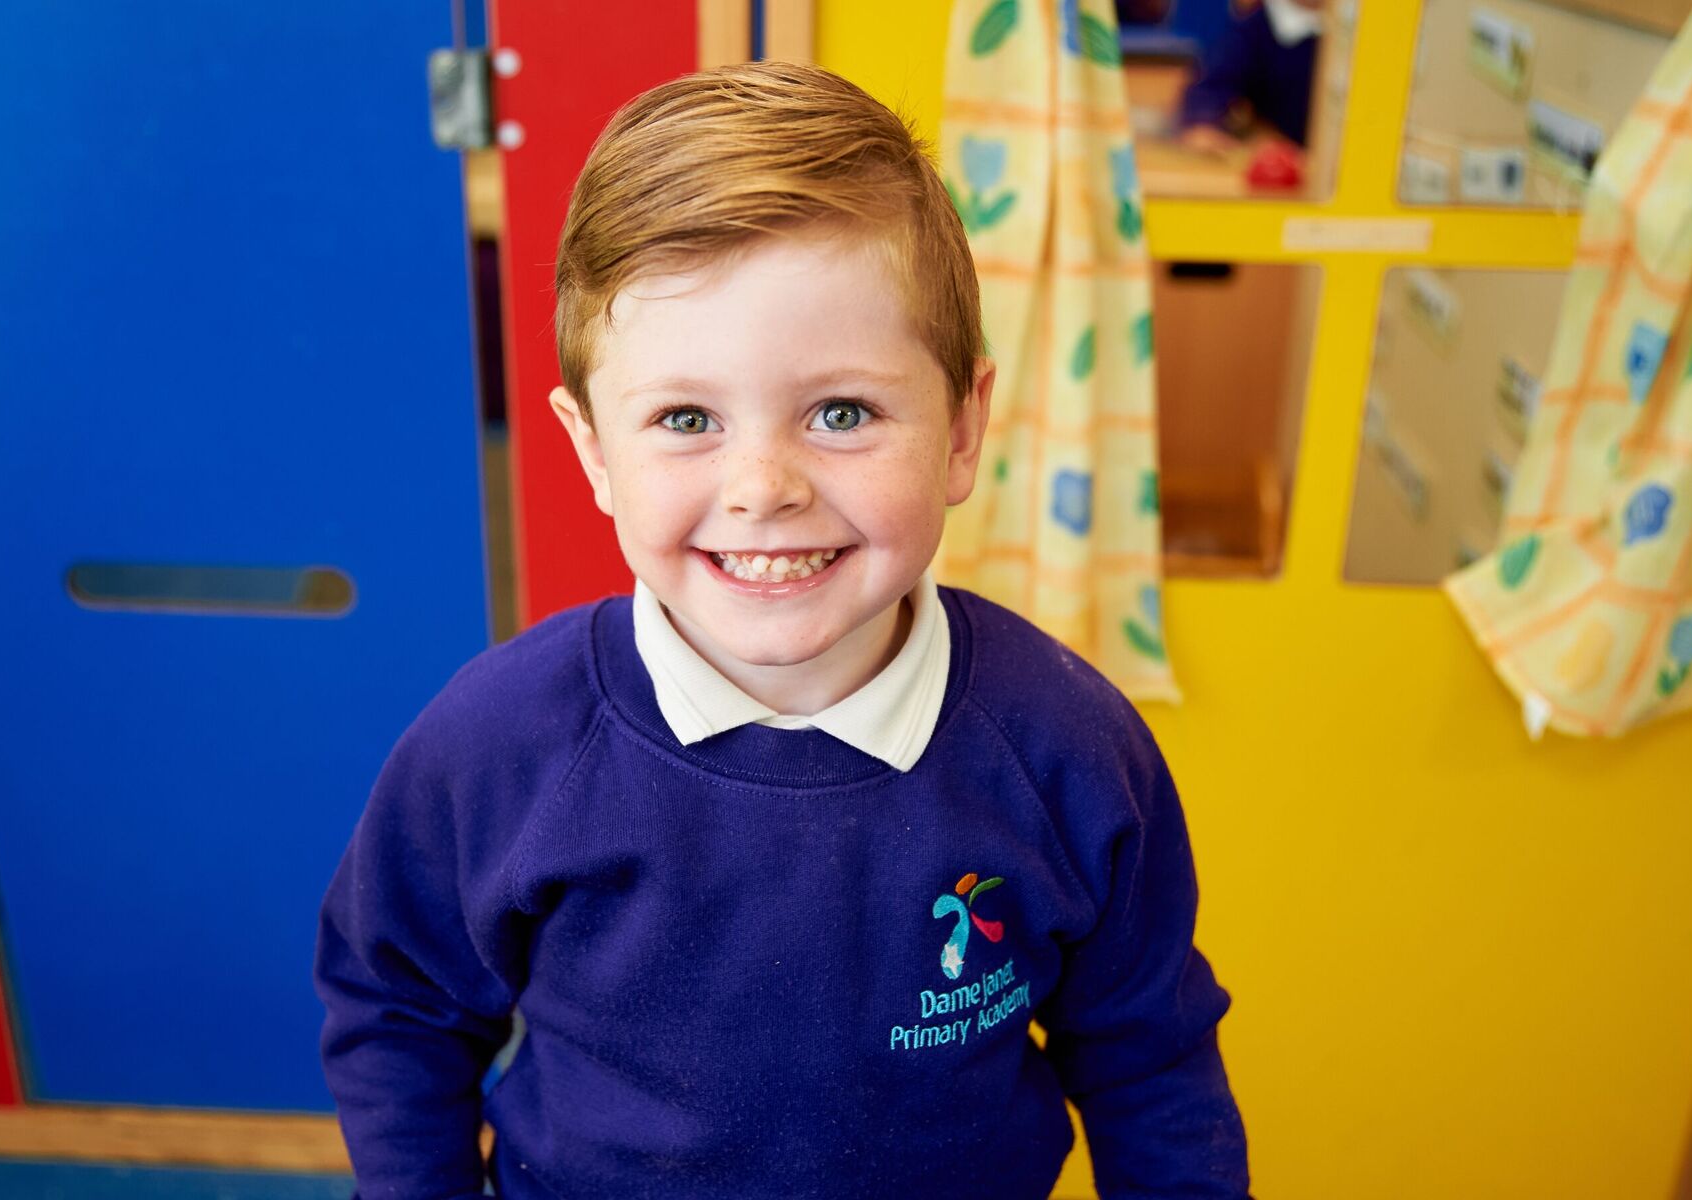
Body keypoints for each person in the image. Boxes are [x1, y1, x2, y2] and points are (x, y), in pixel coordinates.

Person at [314, 61, 1249, 1199]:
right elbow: (398, 1006)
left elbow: (1148, 1058)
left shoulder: (1067, 748)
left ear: (961, 428)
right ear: (594, 451)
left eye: (840, 412)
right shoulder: (497, 746)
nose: (762, 487)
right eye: (686, 419)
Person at [1179, 0, 1324, 153]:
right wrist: (1203, 122)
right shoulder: (1257, 28)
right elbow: (1211, 86)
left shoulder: (1346, 33)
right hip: (1286, 152)